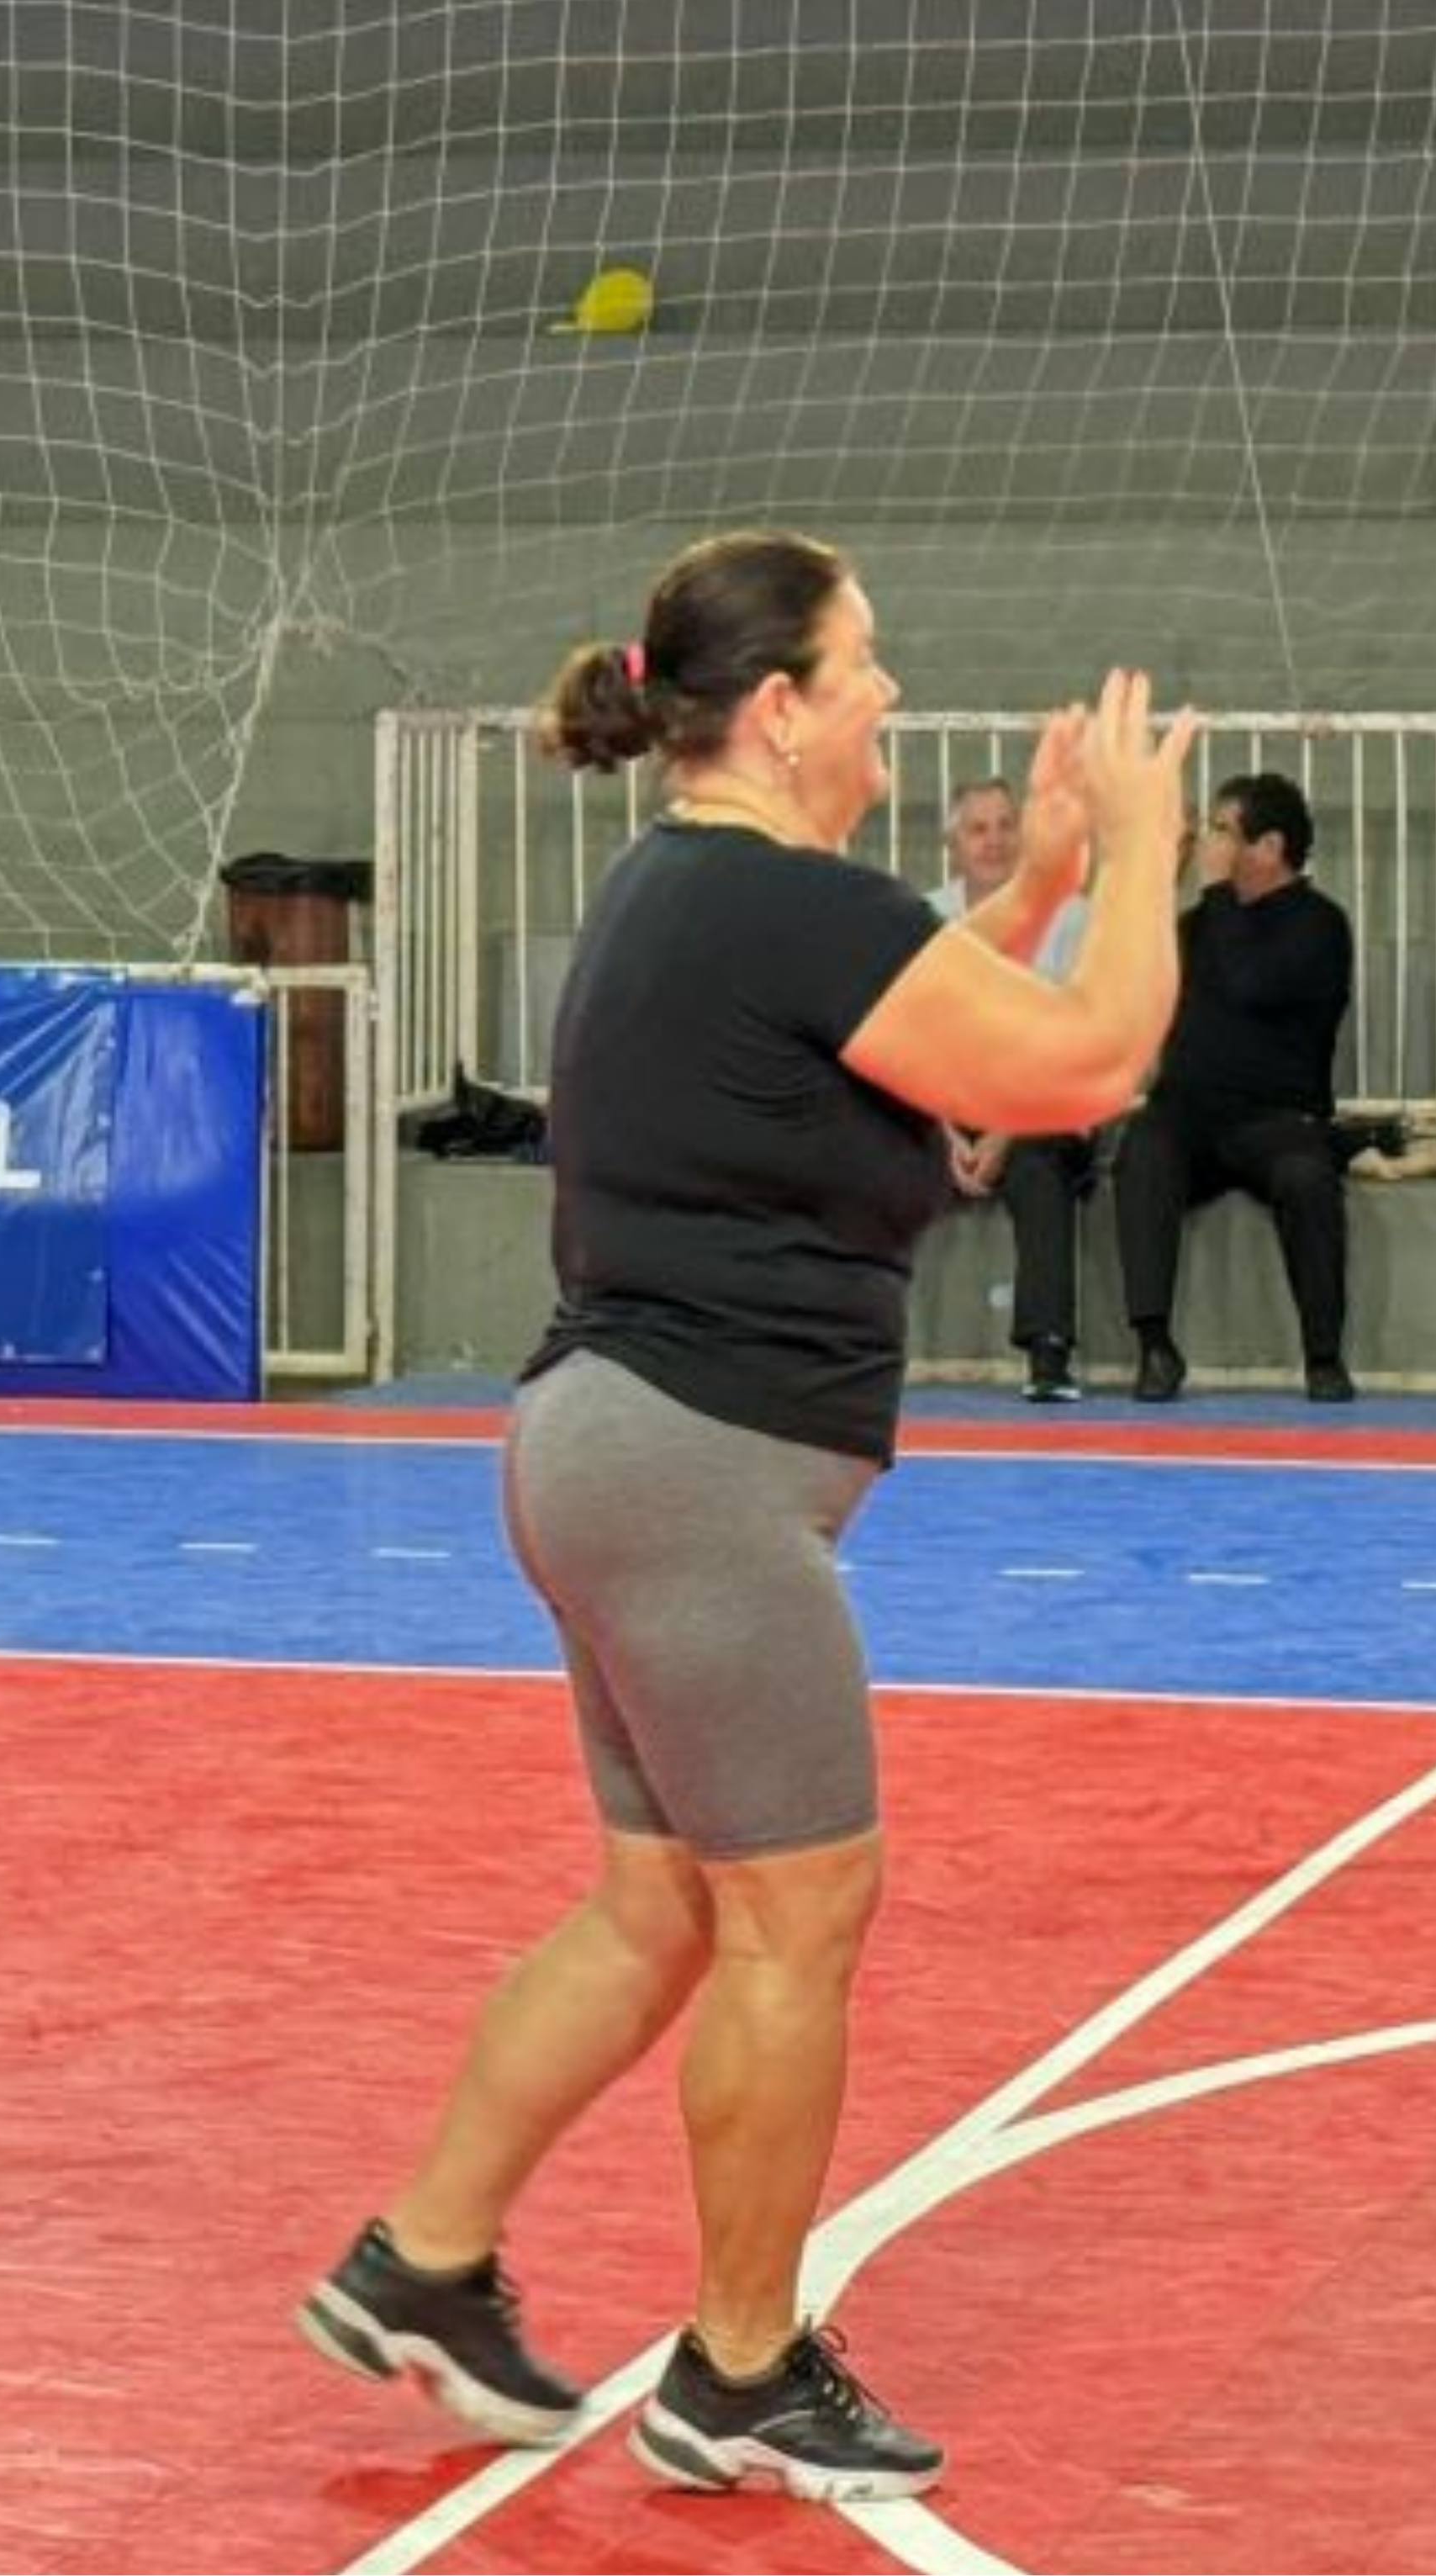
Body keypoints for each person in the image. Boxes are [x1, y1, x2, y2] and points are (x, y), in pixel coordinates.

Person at [299, 530, 1194, 2503]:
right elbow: (1086, 1061)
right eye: (864, 662)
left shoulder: (713, 894)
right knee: (800, 1904)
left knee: (663, 1904)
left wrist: (1036, 874)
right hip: (689, 1465)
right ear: (776, 706)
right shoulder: (779, 902)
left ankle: (421, 2260)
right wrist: (1137, 852)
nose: (890, 690)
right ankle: (739, 2366)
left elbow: (948, 1070)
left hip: (611, 1447)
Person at [1115, 770, 1358, 1402]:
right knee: (1142, 1146)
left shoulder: (1320, 925)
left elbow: (1251, 983)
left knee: (1307, 1176)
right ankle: (1154, 1343)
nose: (1209, 843)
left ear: (1269, 847)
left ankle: (1324, 1355)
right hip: (1189, 1115)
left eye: (1222, 830)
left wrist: (1217, 893)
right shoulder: (1201, 923)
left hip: (1275, 1120)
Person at [927, 775, 1103, 1401]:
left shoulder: (1071, 916)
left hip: (1038, 1105)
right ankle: (840, 1345)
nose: (994, 841)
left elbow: (1066, 1042)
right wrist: (943, 1134)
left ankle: (1048, 1352)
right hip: (947, 1105)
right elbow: (907, 1040)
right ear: (953, 844)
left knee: (1038, 1160)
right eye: (978, 829)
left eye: (1006, 826)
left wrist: (1002, 1133)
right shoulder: (925, 918)